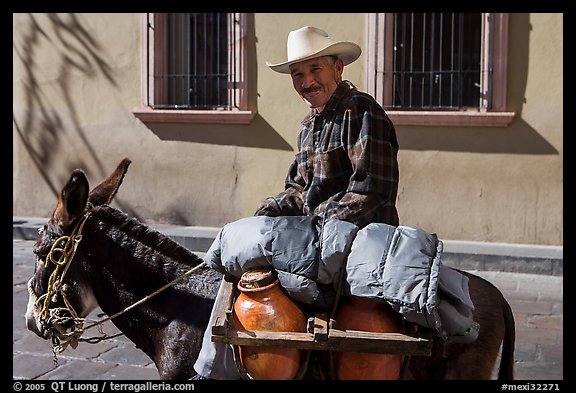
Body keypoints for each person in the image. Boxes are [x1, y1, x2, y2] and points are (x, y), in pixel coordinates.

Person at [192, 25, 400, 380]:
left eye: (315, 69)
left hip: (357, 239)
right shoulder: (310, 126)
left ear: (338, 69)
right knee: (241, 257)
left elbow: (371, 192)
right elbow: (298, 191)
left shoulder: (361, 112)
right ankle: (223, 367)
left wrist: (313, 228)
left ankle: (226, 370)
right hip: (315, 237)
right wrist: (269, 211)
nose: (306, 81)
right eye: (297, 74)